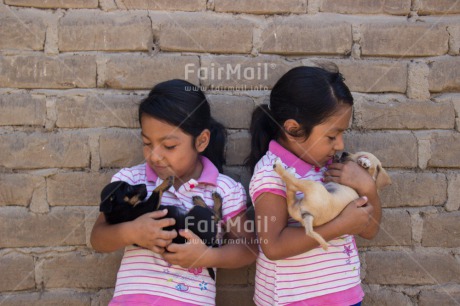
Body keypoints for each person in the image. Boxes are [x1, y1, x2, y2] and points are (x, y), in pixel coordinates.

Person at [91, 79, 257, 306]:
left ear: (201, 141)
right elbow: (98, 238)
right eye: (147, 143)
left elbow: (248, 249)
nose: (155, 156)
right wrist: (131, 232)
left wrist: (207, 257)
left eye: (168, 146)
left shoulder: (223, 189)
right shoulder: (131, 182)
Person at [246, 66, 381, 306]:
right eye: (331, 136)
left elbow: (369, 230)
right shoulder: (273, 173)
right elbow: (273, 246)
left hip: (345, 297)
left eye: (342, 134)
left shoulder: (335, 168)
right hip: (292, 300)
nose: (340, 145)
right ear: (293, 129)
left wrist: (368, 188)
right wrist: (340, 225)